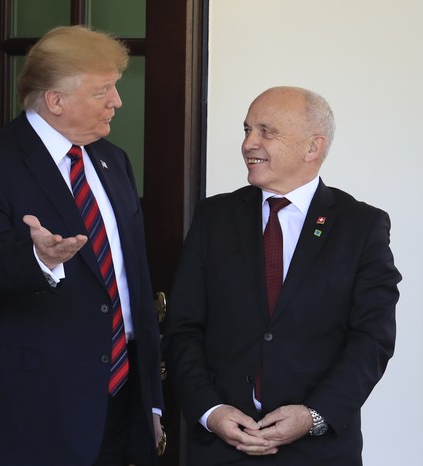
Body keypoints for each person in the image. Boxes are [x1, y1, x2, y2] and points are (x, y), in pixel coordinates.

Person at [0, 25, 164, 466]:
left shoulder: (114, 161)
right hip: (23, 412)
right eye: (103, 92)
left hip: (117, 401)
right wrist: (38, 258)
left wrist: (150, 401)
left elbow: (134, 277)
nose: (117, 102)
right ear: (56, 100)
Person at [162, 86, 401, 465]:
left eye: (266, 131)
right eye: (246, 130)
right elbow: (183, 327)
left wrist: (313, 415)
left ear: (312, 147)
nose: (248, 143)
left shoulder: (360, 225)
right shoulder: (214, 217)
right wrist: (209, 411)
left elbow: (372, 338)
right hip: (220, 447)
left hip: (318, 449)